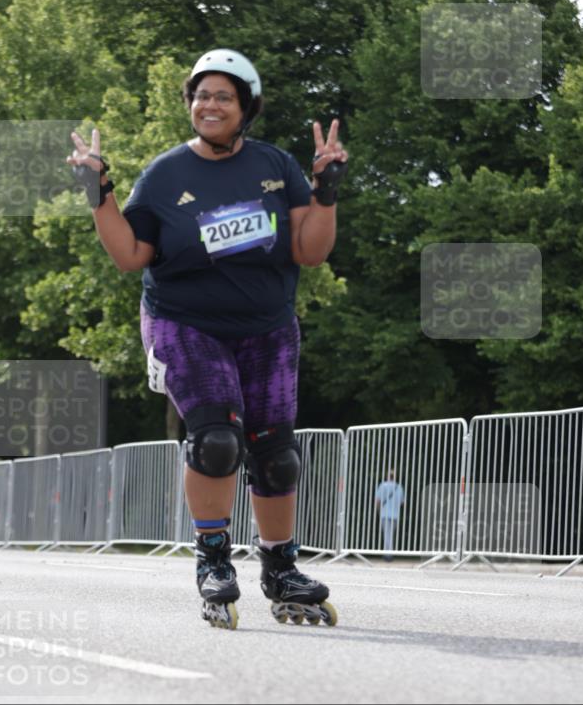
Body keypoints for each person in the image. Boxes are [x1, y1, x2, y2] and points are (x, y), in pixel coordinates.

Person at [67, 48, 348, 630]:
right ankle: (214, 561)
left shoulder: (275, 166)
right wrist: (100, 195)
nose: (208, 104)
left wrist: (325, 192)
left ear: (246, 107)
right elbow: (128, 255)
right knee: (218, 441)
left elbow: (311, 252)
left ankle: (281, 568)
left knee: (276, 455)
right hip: (183, 321)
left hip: (266, 326)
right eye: (200, 95)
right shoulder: (168, 174)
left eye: (223, 95)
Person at [375, 470, 405, 560]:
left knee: (387, 534)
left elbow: (378, 500)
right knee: (390, 534)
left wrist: (379, 510)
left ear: (387, 476)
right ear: (394, 476)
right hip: (395, 515)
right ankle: (389, 553)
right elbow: (402, 502)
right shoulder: (399, 487)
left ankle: (388, 554)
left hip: (384, 514)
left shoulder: (382, 486)